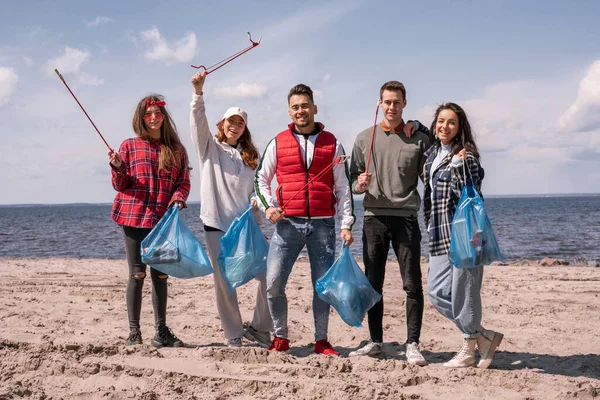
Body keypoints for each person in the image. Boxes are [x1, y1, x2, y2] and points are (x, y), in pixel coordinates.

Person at [255, 83, 355, 355]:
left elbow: (343, 187)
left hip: (323, 225)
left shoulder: (333, 143)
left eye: (305, 106)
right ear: (290, 111)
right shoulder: (277, 142)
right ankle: (281, 337)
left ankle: (321, 340)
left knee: (322, 287)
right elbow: (261, 179)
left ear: (314, 108)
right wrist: (268, 207)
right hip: (287, 224)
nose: (301, 111)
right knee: (274, 283)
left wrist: (346, 224)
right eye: (295, 107)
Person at [189, 70, 272, 348]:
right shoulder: (209, 148)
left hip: (246, 226)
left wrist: (258, 204)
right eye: (230, 121)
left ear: (244, 127)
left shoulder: (252, 156)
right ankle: (233, 334)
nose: (234, 126)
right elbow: (198, 123)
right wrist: (198, 95)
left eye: (240, 122)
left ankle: (259, 329)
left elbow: (257, 190)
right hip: (217, 224)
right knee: (224, 284)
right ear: (222, 124)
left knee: (270, 274)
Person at [348, 81, 429, 365]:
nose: (392, 107)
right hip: (373, 219)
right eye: (387, 102)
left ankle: (413, 344)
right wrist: (359, 184)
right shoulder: (363, 138)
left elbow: (430, 176)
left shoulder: (418, 138)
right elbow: (351, 183)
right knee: (373, 283)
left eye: (397, 102)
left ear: (404, 104)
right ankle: (375, 342)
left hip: (406, 218)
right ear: (379, 104)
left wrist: (419, 125)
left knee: (412, 283)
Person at [419, 102, 503, 368]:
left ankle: (468, 349)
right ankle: (484, 336)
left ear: (460, 127)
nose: (445, 126)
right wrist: (417, 127)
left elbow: (469, 191)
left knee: (465, 293)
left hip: (464, 235)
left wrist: (458, 167)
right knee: (435, 292)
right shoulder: (433, 152)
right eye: (440, 121)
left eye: (451, 122)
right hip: (438, 234)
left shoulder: (467, 156)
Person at [109, 94, 191, 348]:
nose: (154, 118)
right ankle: (134, 333)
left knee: (161, 275)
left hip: (163, 220)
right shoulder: (129, 146)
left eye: (158, 113)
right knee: (137, 274)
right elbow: (120, 185)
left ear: (164, 117)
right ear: (141, 118)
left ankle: (161, 332)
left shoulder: (176, 149)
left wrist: (177, 199)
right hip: (133, 216)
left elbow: (183, 183)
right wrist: (118, 167)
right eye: (149, 114)